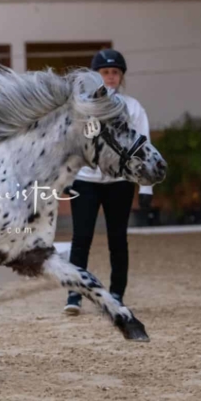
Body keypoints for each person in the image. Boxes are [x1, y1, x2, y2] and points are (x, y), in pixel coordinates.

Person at [64, 48, 154, 315]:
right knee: (81, 238)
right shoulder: (82, 107)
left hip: (120, 182)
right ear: (96, 75)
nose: (111, 77)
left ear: (121, 76)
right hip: (85, 181)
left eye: (115, 72)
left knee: (118, 239)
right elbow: (72, 144)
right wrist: (67, 176)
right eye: (105, 72)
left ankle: (116, 294)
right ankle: (75, 294)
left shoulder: (133, 107)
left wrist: (147, 186)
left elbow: (143, 146)